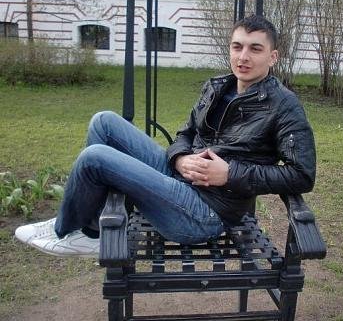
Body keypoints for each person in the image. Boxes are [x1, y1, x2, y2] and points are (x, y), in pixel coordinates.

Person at [15, 15, 316, 256]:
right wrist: (180, 158)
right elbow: (186, 132)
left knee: (95, 158)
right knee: (103, 122)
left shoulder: (283, 105)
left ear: (273, 57)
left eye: (255, 49)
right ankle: (93, 226)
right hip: (180, 178)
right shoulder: (217, 87)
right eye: (237, 47)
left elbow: (302, 175)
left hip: (206, 212)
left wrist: (230, 174)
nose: (243, 56)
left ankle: (79, 233)